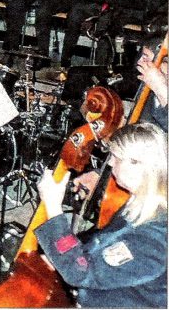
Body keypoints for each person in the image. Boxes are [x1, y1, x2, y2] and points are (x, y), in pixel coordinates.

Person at [35, 123, 167, 308]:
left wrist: (53, 206)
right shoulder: (141, 203)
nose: (110, 163)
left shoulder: (153, 241)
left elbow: (80, 273)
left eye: (116, 157)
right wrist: (59, 254)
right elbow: (104, 240)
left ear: (138, 165)